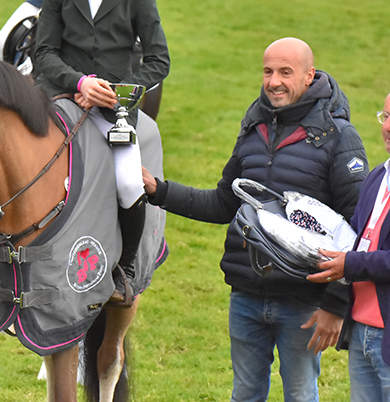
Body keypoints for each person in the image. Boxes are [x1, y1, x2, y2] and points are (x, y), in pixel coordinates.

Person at [143, 37, 367, 401]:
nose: (273, 81)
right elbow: (222, 203)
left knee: (299, 394)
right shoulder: (254, 126)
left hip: (304, 302)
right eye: (267, 71)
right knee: (244, 393)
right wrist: (159, 190)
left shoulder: (339, 138)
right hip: (246, 295)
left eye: (285, 72)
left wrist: (335, 304)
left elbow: (358, 232)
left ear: (309, 75)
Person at [34, 0, 170, 298]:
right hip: (61, 98)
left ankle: (123, 271)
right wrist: (78, 82)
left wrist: (119, 93)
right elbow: (44, 53)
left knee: (130, 184)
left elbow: (158, 62)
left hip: (115, 110)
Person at [307, 92, 390, 401]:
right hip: (362, 332)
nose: (388, 127)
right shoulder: (376, 178)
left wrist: (350, 264)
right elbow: (353, 238)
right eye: (386, 117)